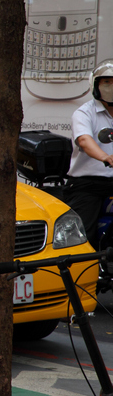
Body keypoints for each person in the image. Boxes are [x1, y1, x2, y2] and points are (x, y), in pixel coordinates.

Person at [63, 61, 113, 254]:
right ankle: (84, 273)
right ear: (95, 85)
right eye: (106, 82)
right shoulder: (84, 112)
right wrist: (106, 157)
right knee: (82, 233)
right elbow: (84, 140)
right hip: (87, 184)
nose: (110, 87)